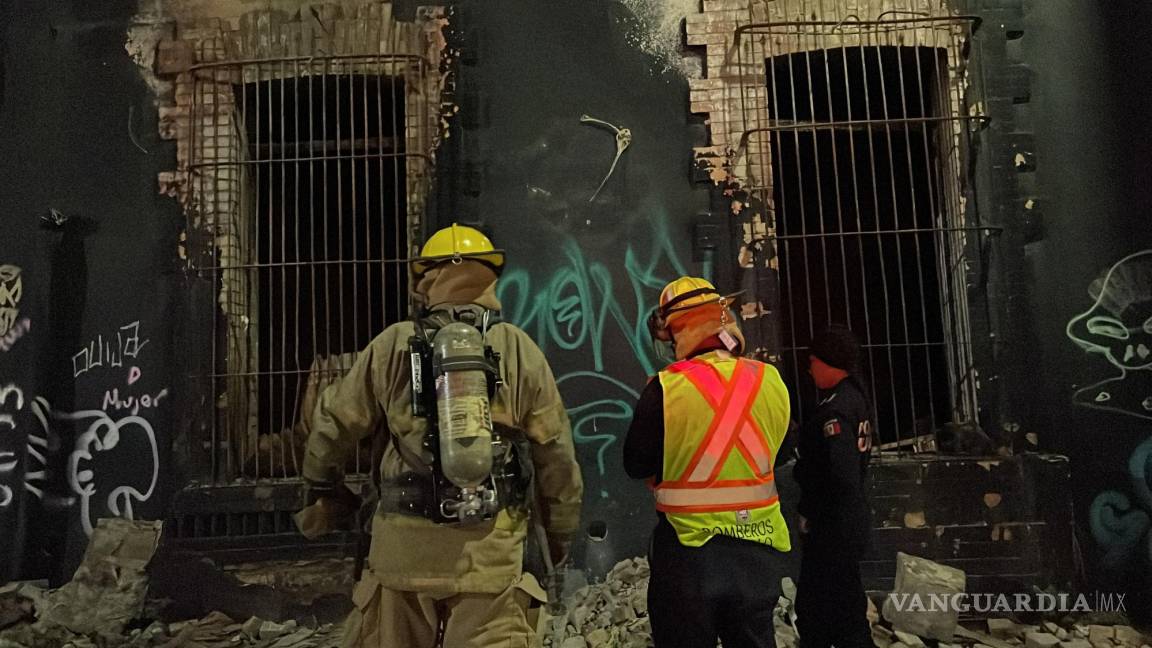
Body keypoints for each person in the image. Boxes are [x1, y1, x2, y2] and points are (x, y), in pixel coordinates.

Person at [297, 224, 584, 647]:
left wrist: (324, 490)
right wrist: (559, 534)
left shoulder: (392, 344)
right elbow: (556, 456)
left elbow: (331, 427)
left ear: (424, 280)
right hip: (490, 558)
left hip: (401, 556)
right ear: (490, 276)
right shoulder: (519, 349)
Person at [623, 276, 792, 648]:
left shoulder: (665, 389)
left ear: (675, 332)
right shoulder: (771, 380)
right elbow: (781, 449)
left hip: (688, 554)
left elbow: (635, 464)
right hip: (758, 551)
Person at [794, 325, 874, 648]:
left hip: (833, 525)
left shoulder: (836, 409)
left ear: (827, 361)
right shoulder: (856, 397)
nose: (809, 369)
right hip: (845, 522)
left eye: (812, 360)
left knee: (830, 610)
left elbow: (840, 474)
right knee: (837, 607)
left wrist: (813, 511)